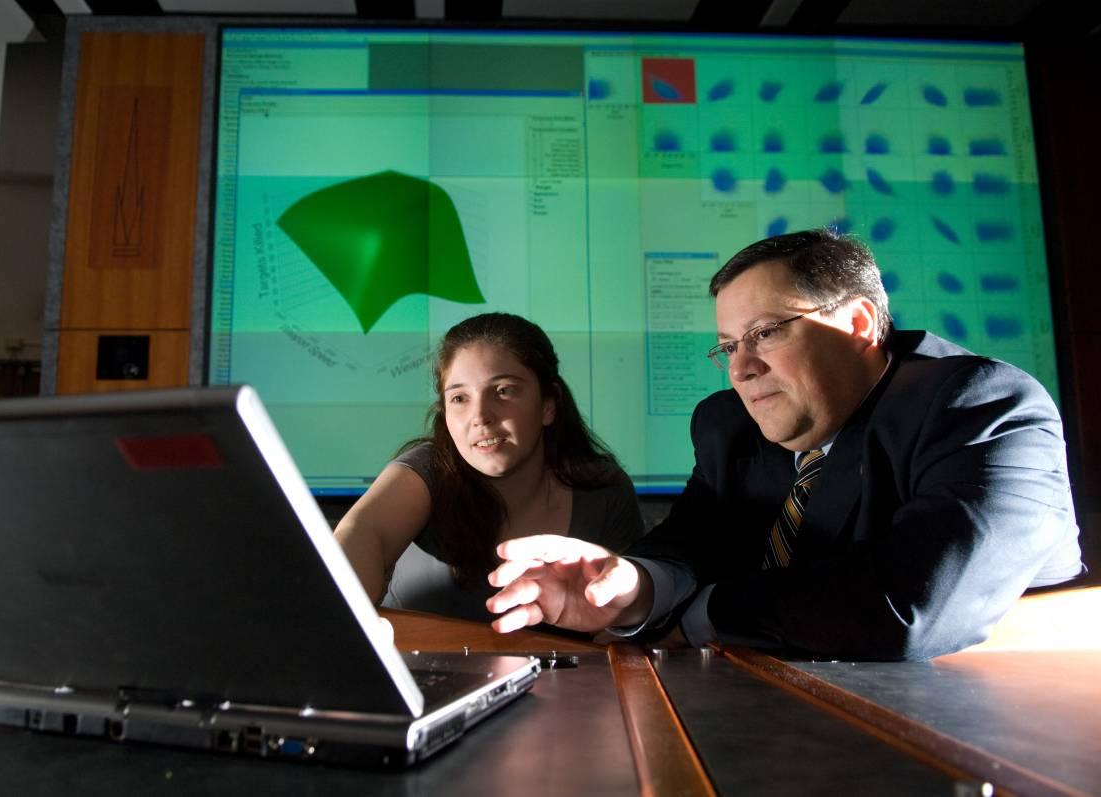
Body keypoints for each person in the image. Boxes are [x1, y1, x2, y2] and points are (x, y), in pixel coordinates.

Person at [487, 229, 1084, 661]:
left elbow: (910, 606)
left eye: (766, 333)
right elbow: (691, 540)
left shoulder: (983, 404)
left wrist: (702, 616)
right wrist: (630, 588)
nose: (740, 369)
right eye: (727, 346)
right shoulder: (729, 424)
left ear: (855, 324)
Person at [335, 312, 644, 623]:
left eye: (504, 391)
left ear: (549, 404)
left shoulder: (604, 491)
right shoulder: (425, 469)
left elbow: (624, 631)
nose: (480, 416)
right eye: (459, 398)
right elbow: (361, 535)